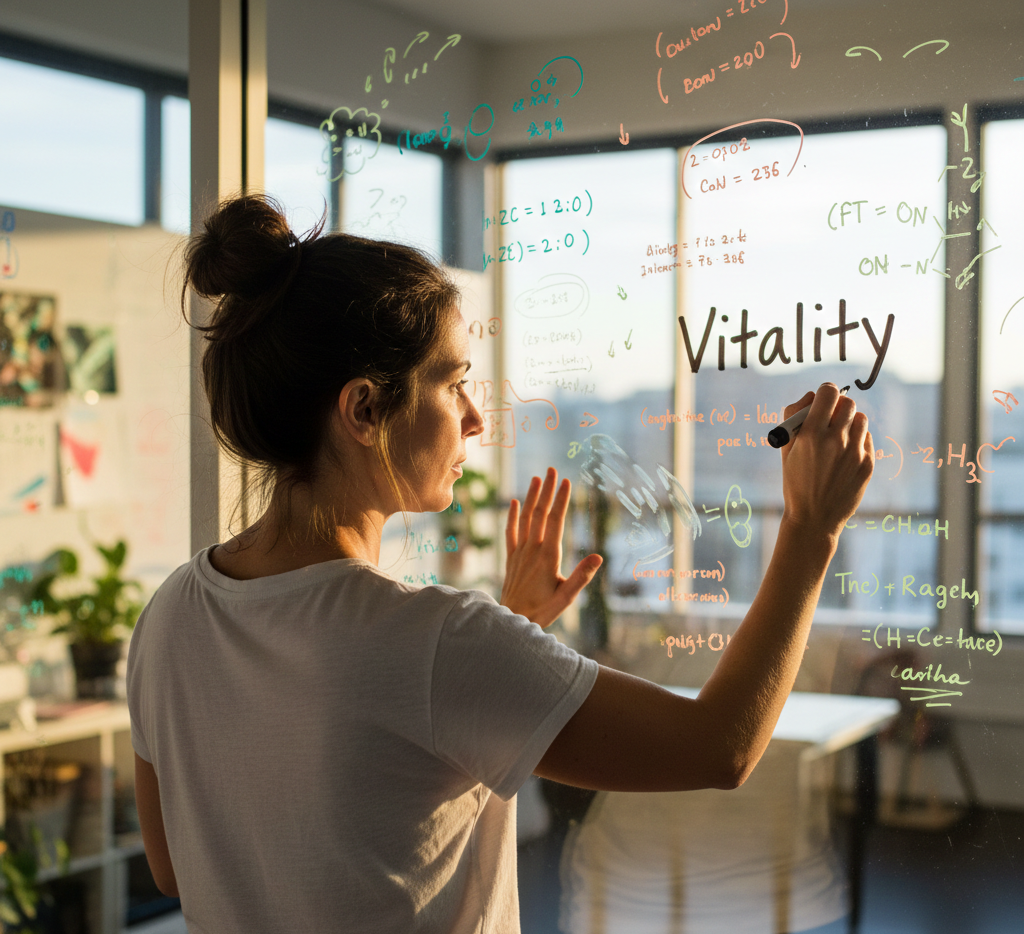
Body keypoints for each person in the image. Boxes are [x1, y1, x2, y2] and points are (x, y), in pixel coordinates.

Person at [128, 194, 874, 934]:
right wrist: (811, 531)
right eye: (452, 384)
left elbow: (173, 865)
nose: (476, 417)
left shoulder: (170, 615)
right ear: (362, 412)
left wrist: (514, 629)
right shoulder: (437, 642)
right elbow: (719, 747)